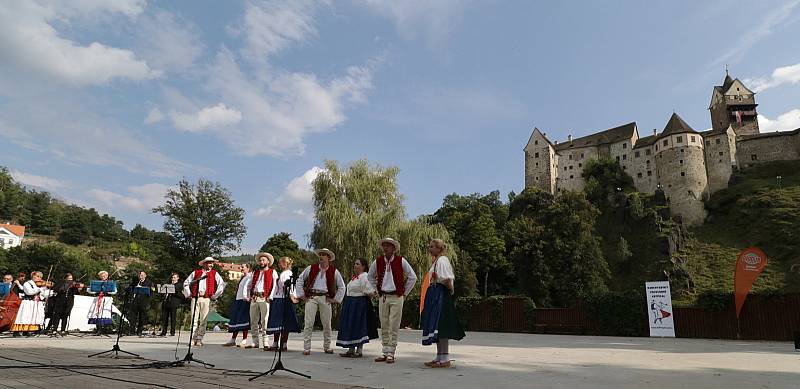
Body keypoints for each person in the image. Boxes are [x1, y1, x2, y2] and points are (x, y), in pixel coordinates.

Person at [368, 238, 417, 364]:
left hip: (396, 296)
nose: (385, 248)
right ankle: (385, 351)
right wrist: (376, 289)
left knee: (393, 325)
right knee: (384, 324)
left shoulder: (401, 261)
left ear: (393, 248)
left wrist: (405, 292)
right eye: (384, 246)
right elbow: (370, 276)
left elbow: (413, 277)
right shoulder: (378, 261)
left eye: (388, 246)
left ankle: (391, 353)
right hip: (383, 296)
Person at [420, 239, 465, 368]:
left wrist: (449, 291)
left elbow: (447, 279)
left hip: (440, 294)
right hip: (435, 293)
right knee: (437, 327)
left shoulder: (442, 260)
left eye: (432, 247)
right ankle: (439, 356)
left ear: (439, 248)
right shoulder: (435, 261)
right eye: (429, 247)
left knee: (441, 325)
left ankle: (445, 358)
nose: (430, 249)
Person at [296, 248, 345, 355]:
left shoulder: (334, 271)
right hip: (312, 297)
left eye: (324, 255)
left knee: (327, 324)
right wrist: (302, 295)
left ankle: (327, 347)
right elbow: (299, 279)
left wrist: (335, 299)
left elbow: (342, 286)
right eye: (320, 254)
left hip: (325, 298)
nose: (321, 256)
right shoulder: (311, 268)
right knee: (308, 323)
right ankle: (306, 347)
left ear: (328, 258)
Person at [337, 258, 379, 358]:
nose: (355, 265)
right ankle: (351, 349)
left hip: (359, 304)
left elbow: (369, 291)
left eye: (357, 264)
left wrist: (374, 291)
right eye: (355, 264)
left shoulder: (364, 276)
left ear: (363, 266)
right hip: (351, 304)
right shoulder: (355, 278)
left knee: (358, 326)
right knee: (351, 326)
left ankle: (359, 351)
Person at [183, 257, 226, 347]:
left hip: (206, 298)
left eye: (212, 263)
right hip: (195, 298)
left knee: (203, 320)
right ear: (204, 264)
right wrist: (189, 293)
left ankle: (199, 338)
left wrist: (215, 295)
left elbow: (221, 284)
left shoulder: (215, 273)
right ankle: (192, 338)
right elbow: (186, 283)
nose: (211, 265)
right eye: (209, 263)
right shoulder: (196, 272)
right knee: (194, 319)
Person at [265, 257, 301, 351]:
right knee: (280, 322)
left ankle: (282, 344)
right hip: (279, 298)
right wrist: (272, 297)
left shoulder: (288, 274)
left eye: (281, 263)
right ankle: (278, 343)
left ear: (285, 264)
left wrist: (292, 296)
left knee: (283, 322)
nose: (279, 265)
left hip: (283, 299)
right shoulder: (283, 273)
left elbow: (289, 286)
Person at [243, 253, 277, 350]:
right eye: (261, 260)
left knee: (264, 321)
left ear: (268, 262)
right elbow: (248, 284)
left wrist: (270, 296)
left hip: (264, 297)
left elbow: (274, 285)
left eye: (263, 260)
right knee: (253, 321)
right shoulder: (255, 272)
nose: (262, 262)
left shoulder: (272, 271)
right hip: (254, 298)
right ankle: (255, 342)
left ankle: (265, 342)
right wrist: (247, 296)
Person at [11, 271, 51, 336]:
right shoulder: (27, 283)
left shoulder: (39, 285)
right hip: (28, 303)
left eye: (40, 277)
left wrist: (48, 292)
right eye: (38, 276)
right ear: (33, 276)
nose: (39, 278)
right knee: (24, 316)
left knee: (31, 317)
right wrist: (39, 289)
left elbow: (43, 294)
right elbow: (29, 292)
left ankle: (26, 331)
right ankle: (16, 331)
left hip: (35, 303)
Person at [223, 263, 252, 348]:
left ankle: (244, 339)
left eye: (243, 267)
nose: (241, 268)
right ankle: (233, 339)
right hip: (238, 299)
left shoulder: (250, 276)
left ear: (248, 268)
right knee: (236, 319)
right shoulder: (243, 277)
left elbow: (249, 288)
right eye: (241, 267)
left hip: (245, 300)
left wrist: (248, 297)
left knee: (243, 319)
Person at [87, 270, 116, 336]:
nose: (103, 277)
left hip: (106, 299)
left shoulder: (110, 283)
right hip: (98, 299)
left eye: (104, 276)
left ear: (107, 276)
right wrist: (92, 289)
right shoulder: (97, 283)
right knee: (97, 314)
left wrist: (109, 291)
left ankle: (104, 329)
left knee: (104, 314)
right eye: (102, 276)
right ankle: (98, 329)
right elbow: (90, 290)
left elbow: (114, 291)